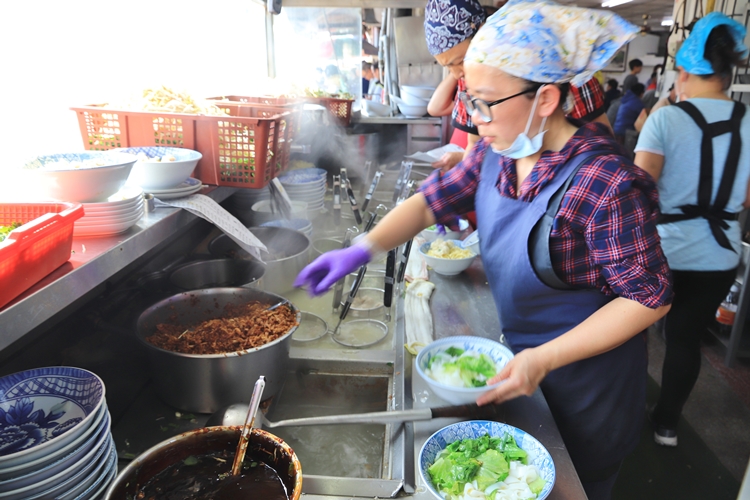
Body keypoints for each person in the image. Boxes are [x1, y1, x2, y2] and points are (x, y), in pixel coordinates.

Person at [295, 1, 672, 498]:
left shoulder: (604, 181)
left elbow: (649, 296)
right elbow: (430, 203)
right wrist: (362, 248)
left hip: (587, 392)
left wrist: (543, 358)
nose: (476, 117)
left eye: (487, 102)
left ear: (545, 99)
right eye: (471, 101)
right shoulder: (497, 154)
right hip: (520, 366)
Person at [634, 12, 750, 448]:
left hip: (662, 251)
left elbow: (638, 190)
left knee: (634, 330)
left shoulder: (666, 121)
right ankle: (666, 425)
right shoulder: (749, 122)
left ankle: (623, 411)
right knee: (684, 339)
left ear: (682, 71)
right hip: (719, 256)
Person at [424, 0, 487, 170]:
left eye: (459, 61)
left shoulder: (510, 73)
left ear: (481, 34)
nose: (457, 74)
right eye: (448, 66)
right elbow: (473, 146)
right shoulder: (466, 85)